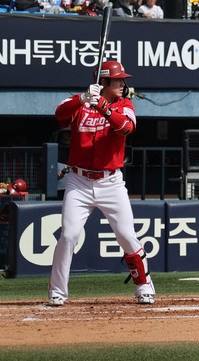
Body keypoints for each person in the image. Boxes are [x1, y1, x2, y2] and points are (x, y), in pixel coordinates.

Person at [49, 60, 154, 306]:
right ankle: (57, 292)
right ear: (104, 82)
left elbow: (127, 128)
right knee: (69, 235)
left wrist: (105, 108)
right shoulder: (81, 102)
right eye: (118, 80)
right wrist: (83, 99)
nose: (123, 84)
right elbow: (59, 115)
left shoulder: (124, 104)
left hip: (111, 182)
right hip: (79, 181)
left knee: (127, 236)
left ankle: (144, 287)